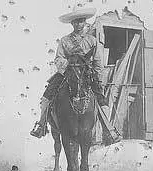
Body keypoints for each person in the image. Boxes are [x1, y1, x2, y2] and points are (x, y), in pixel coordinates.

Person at [30, 7, 109, 138]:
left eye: (81, 21)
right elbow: (59, 58)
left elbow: (97, 62)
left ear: (85, 23)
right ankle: (42, 124)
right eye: (76, 22)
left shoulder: (92, 41)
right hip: (68, 73)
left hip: (87, 74)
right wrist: (68, 65)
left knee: (102, 99)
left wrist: (99, 79)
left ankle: (108, 129)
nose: (78, 24)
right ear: (72, 23)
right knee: (46, 97)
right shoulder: (65, 41)